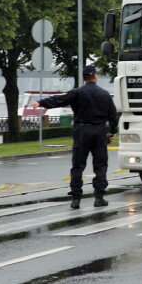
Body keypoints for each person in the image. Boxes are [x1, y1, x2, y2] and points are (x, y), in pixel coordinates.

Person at [31, 65, 119, 209]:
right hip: (99, 131)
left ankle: (76, 199)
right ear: (95, 76)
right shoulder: (105, 94)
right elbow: (113, 116)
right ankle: (99, 197)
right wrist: (112, 131)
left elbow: (59, 100)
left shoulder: (77, 92)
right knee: (100, 165)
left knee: (78, 165)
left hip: (82, 130)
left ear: (84, 77)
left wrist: (41, 102)